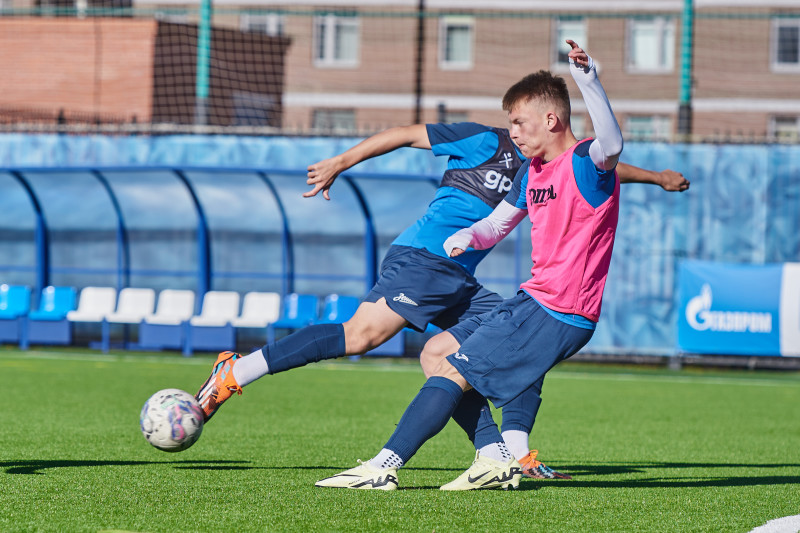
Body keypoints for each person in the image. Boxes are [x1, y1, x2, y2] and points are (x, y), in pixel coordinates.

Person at [195, 49, 688, 480]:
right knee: (360, 336)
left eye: (521, 121)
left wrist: (658, 177)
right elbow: (405, 134)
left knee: (504, 339)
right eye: (512, 121)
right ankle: (238, 371)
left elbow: (602, 163)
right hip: (425, 258)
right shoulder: (487, 141)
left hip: (458, 276)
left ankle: (506, 452)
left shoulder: (542, 159)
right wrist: (340, 163)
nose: (516, 130)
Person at [314, 40, 623, 491]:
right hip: (535, 300)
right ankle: (495, 460)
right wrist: (465, 237)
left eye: (518, 122)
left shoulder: (586, 163)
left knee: (455, 369)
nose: (513, 133)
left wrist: (588, 78)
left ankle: (383, 468)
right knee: (436, 353)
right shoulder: (532, 172)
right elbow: (497, 224)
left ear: (551, 120)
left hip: (561, 311)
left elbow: (612, 141)